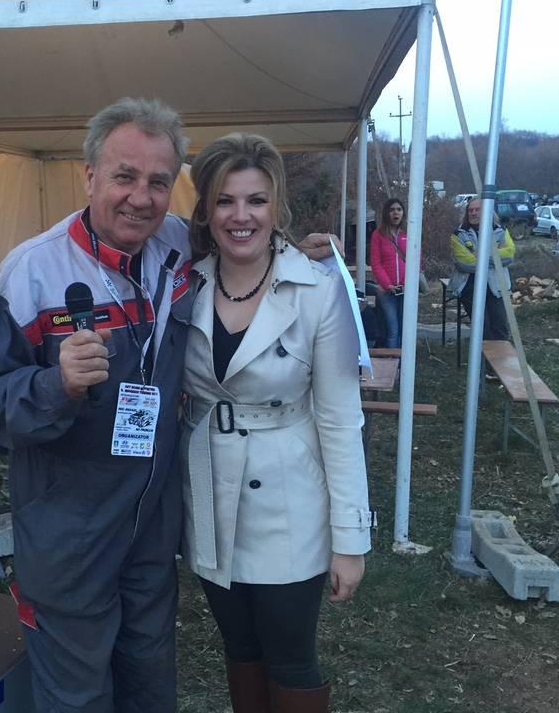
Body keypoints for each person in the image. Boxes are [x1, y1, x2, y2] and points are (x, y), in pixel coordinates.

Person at [0, 99, 339, 713]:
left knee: (150, 684)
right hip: (68, 531)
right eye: (124, 177)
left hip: (152, 528)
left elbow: (243, 231)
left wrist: (294, 251)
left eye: (158, 182)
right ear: (90, 176)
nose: (141, 198)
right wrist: (53, 385)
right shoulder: (29, 273)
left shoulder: (178, 246)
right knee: (78, 694)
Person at [179, 133, 372, 713]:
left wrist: (350, 540)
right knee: (239, 648)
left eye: (256, 200)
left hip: (289, 505)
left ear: (276, 206)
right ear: (206, 211)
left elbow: (340, 420)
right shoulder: (184, 284)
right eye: (225, 201)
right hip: (209, 494)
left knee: (290, 659)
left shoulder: (318, 290)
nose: (241, 216)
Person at [448, 196, 516, 341]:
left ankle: (499, 355)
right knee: (482, 327)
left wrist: (479, 255)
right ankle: (482, 356)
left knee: (500, 326)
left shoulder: (500, 230)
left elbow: (508, 255)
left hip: (496, 287)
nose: (473, 213)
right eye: (470, 210)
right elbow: (464, 263)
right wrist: (494, 257)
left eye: (477, 210)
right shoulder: (458, 234)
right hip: (469, 287)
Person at [369, 197, 409, 349]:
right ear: (386, 213)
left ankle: (405, 361)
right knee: (393, 329)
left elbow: (416, 260)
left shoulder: (408, 233)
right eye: (392, 210)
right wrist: (387, 284)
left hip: (406, 289)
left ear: (403, 213)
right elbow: (376, 263)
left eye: (399, 209)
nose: (395, 213)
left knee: (406, 328)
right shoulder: (378, 235)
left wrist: (407, 283)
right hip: (387, 291)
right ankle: (393, 360)